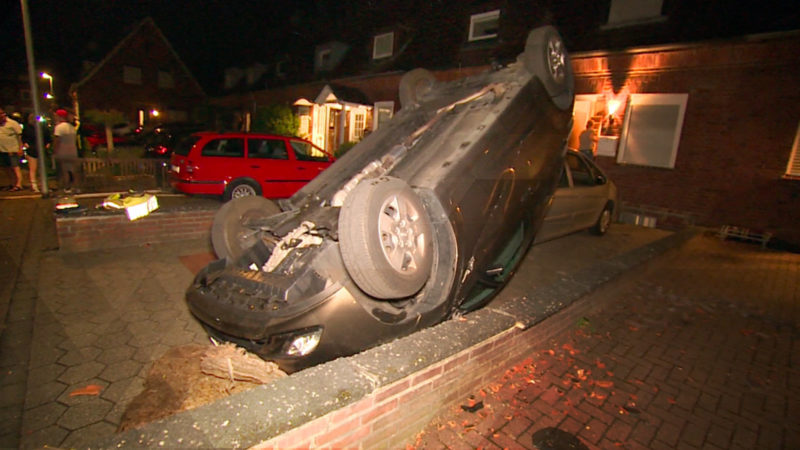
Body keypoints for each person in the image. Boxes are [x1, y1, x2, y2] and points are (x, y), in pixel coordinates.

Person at [21, 113, 51, 193]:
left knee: (42, 168)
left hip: (41, 148)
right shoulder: (27, 127)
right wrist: (26, 144)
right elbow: (24, 137)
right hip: (32, 149)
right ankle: (34, 185)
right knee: (33, 168)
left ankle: (43, 184)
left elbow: (48, 137)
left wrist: (47, 144)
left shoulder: (43, 127)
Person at [53, 108, 80, 192]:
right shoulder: (72, 127)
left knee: (65, 170)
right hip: (73, 150)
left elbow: (57, 140)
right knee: (73, 169)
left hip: (63, 150)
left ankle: (67, 187)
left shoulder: (59, 128)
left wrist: (55, 151)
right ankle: (76, 186)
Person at [0, 108, 24, 191]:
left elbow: (19, 136)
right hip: (2, 150)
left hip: (13, 149)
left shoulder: (12, 123)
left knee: (15, 167)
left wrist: (20, 148)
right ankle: (12, 183)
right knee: (6, 167)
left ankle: (19, 184)